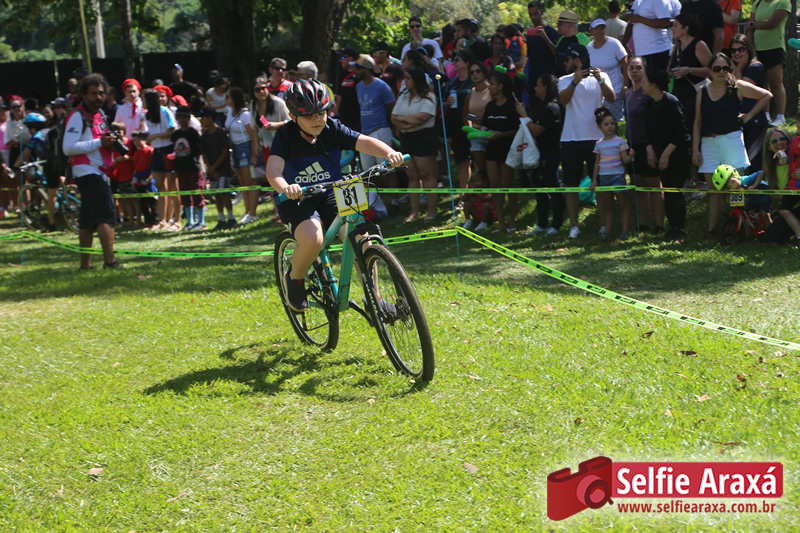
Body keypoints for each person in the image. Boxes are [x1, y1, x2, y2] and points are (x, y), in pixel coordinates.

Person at [266, 79, 403, 312]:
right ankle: (294, 277)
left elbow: (364, 142)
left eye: (321, 113)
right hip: (297, 198)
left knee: (362, 240)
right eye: (309, 116)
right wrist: (285, 187)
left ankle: (374, 299)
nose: (317, 120)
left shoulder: (333, 128)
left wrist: (389, 153)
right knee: (313, 240)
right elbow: (273, 170)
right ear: (292, 116)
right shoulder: (285, 136)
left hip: (332, 191)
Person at [692, 53, 772, 234]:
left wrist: (749, 116)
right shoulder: (702, 90)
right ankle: (713, 230)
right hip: (708, 143)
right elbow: (697, 121)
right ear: (710, 71)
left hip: (732, 140)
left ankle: (740, 228)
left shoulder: (738, 86)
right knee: (714, 190)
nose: (721, 72)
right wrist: (695, 149)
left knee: (736, 187)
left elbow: (766, 95)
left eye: (725, 68)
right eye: (717, 68)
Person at [62, 73, 121, 270]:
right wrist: (99, 142)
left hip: (98, 171)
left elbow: (99, 140)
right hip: (87, 171)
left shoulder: (100, 114)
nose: (98, 97)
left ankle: (85, 265)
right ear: (83, 95)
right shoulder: (77, 116)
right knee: (106, 216)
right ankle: (110, 262)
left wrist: (111, 142)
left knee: (87, 221)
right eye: (94, 93)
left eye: (101, 93)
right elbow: (68, 148)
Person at [558, 43, 615, 239]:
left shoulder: (602, 76)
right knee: (571, 185)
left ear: (577, 61)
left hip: (596, 140)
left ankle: (603, 225)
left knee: (599, 185)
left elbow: (611, 98)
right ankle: (574, 226)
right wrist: (574, 82)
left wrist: (600, 80)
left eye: (567, 59)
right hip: (570, 139)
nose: (564, 63)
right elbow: (563, 101)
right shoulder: (564, 80)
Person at [642, 66, 692, 241]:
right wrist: (649, 149)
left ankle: (680, 229)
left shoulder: (671, 102)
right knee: (668, 190)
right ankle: (672, 228)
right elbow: (647, 130)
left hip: (678, 154)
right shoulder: (649, 104)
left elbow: (682, 132)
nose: (641, 84)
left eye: (645, 81)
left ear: (654, 85)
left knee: (674, 189)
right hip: (660, 154)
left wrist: (666, 154)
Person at [391, 68, 440, 224]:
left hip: (423, 138)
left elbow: (423, 117)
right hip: (406, 138)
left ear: (417, 80)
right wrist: (407, 123)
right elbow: (394, 117)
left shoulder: (429, 97)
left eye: (408, 78)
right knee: (412, 176)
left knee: (427, 175)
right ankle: (414, 211)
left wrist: (404, 121)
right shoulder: (403, 96)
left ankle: (431, 211)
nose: (405, 81)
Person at [518, 73, 564, 236]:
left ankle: (556, 225)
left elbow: (536, 131)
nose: (535, 88)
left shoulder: (551, 108)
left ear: (545, 87)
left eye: (538, 84)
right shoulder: (540, 106)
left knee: (552, 187)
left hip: (550, 153)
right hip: (538, 153)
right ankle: (542, 224)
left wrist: (523, 115)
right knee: (539, 188)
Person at [624, 56, 664, 233]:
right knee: (639, 185)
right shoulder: (627, 94)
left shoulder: (648, 93)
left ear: (645, 70)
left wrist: (650, 148)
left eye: (638, 67)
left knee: (654, 186)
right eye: (631, 67)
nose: (635, 71)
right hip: (632, 146)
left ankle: (659, 224)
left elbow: (653, 122)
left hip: (648, 145)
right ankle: (643, 224)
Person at [481, 71, 520, 233]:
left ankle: (513, 222)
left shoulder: (512, 106)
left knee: (509, 186)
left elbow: (517, 130)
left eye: (492, 83)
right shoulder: (490, 106)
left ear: (500, 86)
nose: (489, 86)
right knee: (495, 187)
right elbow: (484, 126)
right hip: (491, 151)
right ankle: (501, 223)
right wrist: (483, 135)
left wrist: (500, 135)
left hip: (508, 150)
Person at [591, 106, 633, 240]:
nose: (610, 126)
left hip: (617, 177)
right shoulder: (599, 144)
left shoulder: (620, 142)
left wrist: (631, 156)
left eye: (612, 124)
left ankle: (624, 232)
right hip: (604, 178)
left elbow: (625, 160)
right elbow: (597, 163)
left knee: (623, 205)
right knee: (608, 206)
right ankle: (607, 232)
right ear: (599, 127)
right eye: (606, 124)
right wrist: (594, 180)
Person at [746, 0, 790, 126]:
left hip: (774, 48)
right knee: (763, 84)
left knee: (776, 83)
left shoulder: (783, 2)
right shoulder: (757, 3)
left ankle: (780, 116)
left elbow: (772, 23)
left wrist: (753, 24)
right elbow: (749, 27)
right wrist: (750, 48)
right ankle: (765, 114)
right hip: (757, 49)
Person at [730, 34, 769, 172]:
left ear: (748, 49)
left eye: (741, 49)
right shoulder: (733, 68)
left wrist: (737, 69)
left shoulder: (756, 67)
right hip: (740, 122)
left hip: (755, 121)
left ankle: (757, 186)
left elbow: (739, 89)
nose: (737, 53)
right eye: (733, 50)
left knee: (754, 163)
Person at [667, 13, 712, 131]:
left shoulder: (699, 45)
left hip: (695, 94)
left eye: (675, 26)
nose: (672, 29)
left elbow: (712, 70)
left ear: (685, 29)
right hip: (679, 93)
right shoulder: (677, 45)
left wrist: (689, 70)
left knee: (691, 127)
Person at [142, 88, 178, 231]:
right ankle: (162, 220)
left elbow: (172, 129)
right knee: (160, 188)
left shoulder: (164, 111)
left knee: (173, 187)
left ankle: (177, 220)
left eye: (143, 99)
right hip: (156, 152)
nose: (142, 101)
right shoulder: (147, 115)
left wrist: (156, 136)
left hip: (168, 150)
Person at [226, 86, 259, 225]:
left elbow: (254, 134)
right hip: (234, 149)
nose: (226, 99)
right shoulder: (229, 112)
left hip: (246, 148)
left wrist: (254, 154)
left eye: (228, 96)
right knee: (243, 182)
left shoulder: (245, 115)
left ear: (234, 99)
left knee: (251, 181)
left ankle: (253, 213)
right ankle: (247, 211)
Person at [198, 108, 235, 230]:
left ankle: (231, 218)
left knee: (224, 194)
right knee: (217, 195)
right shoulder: (204, 137)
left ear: (210, 118)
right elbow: (204, 154)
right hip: (212, 171)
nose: (202, 121)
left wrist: (214, 168)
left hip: (223, 170)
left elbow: (224, 152)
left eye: (203, 118)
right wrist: (210, 169)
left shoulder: (221, 133)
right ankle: (221, 219)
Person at [444, 50, 476, 195]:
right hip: (456, 127)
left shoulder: (475, 80)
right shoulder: (451, 83)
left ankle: (483, 196)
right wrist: (447, 103)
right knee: (463, 162)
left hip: (475, 127)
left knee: (479, 162)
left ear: (466, 63)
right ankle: (464, 196)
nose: (454, 63)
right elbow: (442, 105)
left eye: (457, 60)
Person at [170, 105, 205, 230]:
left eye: (184, 117)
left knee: (196, 193)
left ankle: (201, 221)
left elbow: (199, 148)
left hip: (193, 167)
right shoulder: (176, 134)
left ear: (188, 118)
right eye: (179, 117)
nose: (181, 119)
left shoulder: (193, 133)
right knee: (184, 195)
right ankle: (190, 221)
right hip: (181, 168)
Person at [587, 19, 628, 120]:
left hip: (615, 90)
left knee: (615, 122)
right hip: (597, 93)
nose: (600, 31)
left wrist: (625, 87)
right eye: (596, 29)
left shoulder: (614, 44)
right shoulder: (588, 48)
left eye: (602, 28)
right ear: (591, 31)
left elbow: (625, 65)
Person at [623, 0, 673, 71]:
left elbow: (665, 23)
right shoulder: (637, 2)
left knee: (656, 78)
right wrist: (622, 44)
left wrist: (639, 19)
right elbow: (631, 24)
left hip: (657, 52)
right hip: (640, 52)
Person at [525, 1, 559, 102]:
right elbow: (530, 59)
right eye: (531, 14)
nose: (533, 17)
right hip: (533, 83)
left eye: (536, 13)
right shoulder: (530, 35)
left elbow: (556, 53)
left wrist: (545, 38)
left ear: (542, 12)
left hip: (548, 82)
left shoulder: (551, 32)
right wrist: (528, 82)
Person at [463, 61, 491, 176]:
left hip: (491, 133)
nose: (475, 74)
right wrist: (470, 129)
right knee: (482, 171)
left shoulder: (492, 90)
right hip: (475, 134)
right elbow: (465, 114)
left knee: (493, 169)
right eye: (472, 72)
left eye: (477, 71)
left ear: (484, 73)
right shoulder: (470, 94)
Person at [554, 10, 592, 77]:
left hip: (577, 79)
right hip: (560, 79)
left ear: (570, 24)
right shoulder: (561, 39)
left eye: (560, 23)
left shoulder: (583, 39)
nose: (557, 26)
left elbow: (590, 60)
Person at [131, 131, 156, 227]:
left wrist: (151, 177)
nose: (136, 142)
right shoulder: (136, 152)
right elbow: (135, 167)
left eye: (138, 140)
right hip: (139, 180)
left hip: (149, 179)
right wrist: (133, 181)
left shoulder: (150, 150)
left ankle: (155, 221)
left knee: (152, 200)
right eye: (134, 140)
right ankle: (147, 221)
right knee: (142, 201)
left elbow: (153, 165)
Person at [335, 46, 361, 133]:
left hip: (357, 118)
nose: (340, 60)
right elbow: (339, 95)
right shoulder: (342, 74)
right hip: (344, 118)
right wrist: (337, 114)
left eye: (342, 57)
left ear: (350, 58)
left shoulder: (360, 74)